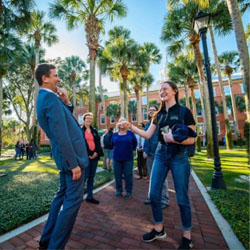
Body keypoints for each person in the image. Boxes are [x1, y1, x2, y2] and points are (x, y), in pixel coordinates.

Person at [122, 80, 196, 249]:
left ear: (174, 91)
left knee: (182, 198)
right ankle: (159, 228)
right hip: (161, 154)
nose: (161, 92)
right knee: (154, 194)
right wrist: (131, 126)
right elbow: (148, 134)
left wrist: (175, 139)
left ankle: (187, 237)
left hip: (179, 156)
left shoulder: (184, 112)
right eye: (160, 89)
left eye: (165, 89)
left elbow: (192, 138)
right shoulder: (159, 114)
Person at [36, 63, 89, 249]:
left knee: (61, 198)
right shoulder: (49, 99)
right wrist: (73, 163)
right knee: (72, 203)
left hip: (67, 158)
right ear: (45, 78)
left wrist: (66, 102)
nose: (58, 79)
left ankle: (46, 240)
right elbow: (61, 135)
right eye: (55, 75)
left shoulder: (49, 98)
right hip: (71, 159)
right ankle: (55, 246)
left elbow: (65, 122)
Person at [143, 106, 170, 209]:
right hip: (149, 153)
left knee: (162, 177)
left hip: (158, 152)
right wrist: (145, 151)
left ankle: (164, 199)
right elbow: (146, 138)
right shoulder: (148, 124)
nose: (151, 111)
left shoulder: (160, 121)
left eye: (153, 110)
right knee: (152, 177)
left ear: (157, 111)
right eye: (149, 110)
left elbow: (165, 135)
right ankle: (151, 197)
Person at [112, 117, 137, 198]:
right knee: (117, 175)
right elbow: (111, 144)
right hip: (117, 159)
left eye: (123, 122)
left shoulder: (130, 133)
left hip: (128, 158)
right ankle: (119, 190)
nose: (122, 124)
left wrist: (129, 150)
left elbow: (134, 144)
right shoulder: (115, 134)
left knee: (128, 175)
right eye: (120, 122)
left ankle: (128, 191)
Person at [82, 112, 104, 204]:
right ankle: (78, 197)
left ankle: (89, 196)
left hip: (94, 157)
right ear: (84, 120)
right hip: (85, 157)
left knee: (91, 177)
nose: (89, 120)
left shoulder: (94, 131)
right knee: (84, 177)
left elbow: (98, 143)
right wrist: (89, 153)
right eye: (87, 118)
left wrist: (95, 153)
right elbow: (81, 144)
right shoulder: (80, 131)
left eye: (90, 119)